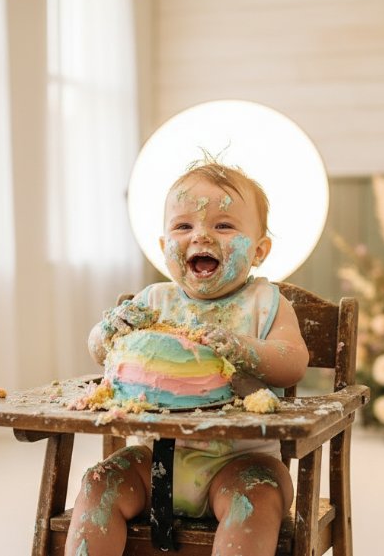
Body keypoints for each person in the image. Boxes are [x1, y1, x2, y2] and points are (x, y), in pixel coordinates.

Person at [66, 159, 310, 556]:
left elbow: (293, 362)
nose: (201, 236)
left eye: (223, 225)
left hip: (241, 461)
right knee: (98, 482)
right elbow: (99, 351)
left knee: (258, 498)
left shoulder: (266, 303)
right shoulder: (152, 302)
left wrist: (242, 347)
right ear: (164, 247)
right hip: (154, 460)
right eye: (183, 226)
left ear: (259, 250)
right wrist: (108, 329)